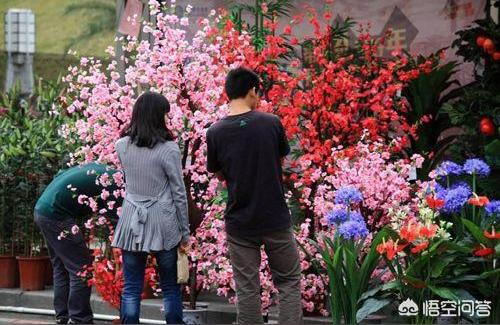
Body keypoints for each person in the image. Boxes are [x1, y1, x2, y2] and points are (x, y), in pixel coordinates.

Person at [206, 67, 302, 324]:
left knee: (248, 288)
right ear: (252, 91)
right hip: (275, 218)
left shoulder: (215, 132)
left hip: (240, 220)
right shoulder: (271, 123)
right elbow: (279, 158)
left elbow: (218, 174)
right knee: (289, 282)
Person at [111, 92, 190, 324]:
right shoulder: (169, 149)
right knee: (170, 288)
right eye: (165, 115)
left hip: (132, 219)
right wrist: (185, 232)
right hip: (163, 222)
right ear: (158, 117)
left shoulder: (121, 145)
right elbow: (179, 192)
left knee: (132, 287)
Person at [34, 162, 120, 324]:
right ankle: (80, 319)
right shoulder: (117, 185)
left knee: (61, 266)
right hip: (56, 216)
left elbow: (60, 174)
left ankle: (63, 316)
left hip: (42, 209)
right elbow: (116, 222)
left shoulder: (100, 169)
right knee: (82, 268)